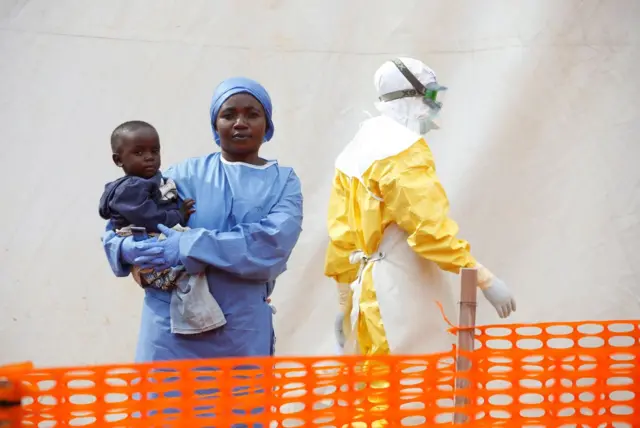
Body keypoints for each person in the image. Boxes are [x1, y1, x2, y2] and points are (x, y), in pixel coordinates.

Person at [101, 77, 304, 362]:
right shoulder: (181, 175)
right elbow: (121, 218)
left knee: (240, 406)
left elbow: (270, 246)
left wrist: (189, 244)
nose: (240, 123)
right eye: (228, 114)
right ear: (215, 125)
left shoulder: (283, 183)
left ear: (267, 124)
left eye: (252, 114)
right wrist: (123, 250)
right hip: (169, 334)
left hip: (241, 332)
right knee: (165, 407)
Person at [325, 57, 517, 358]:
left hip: (368, 294)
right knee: (409, 387)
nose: (434, 107)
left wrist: (344, 302)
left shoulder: (354, 150)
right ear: (413, 98)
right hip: (399, 292)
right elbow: (429, 231)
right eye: (431, 96)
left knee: (379, 386)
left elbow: (342, 240)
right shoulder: (402, 150)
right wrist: (484, 279)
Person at [99, 120, 226, 335]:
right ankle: (200, 320)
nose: (149, 157)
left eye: (154, 150)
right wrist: (179, 215)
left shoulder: (150, 180)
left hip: (151, 237)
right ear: (118, 160)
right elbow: (148, 217)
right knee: (188, 270)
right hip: (146, 238)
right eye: (138, 152)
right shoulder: (132, 187)